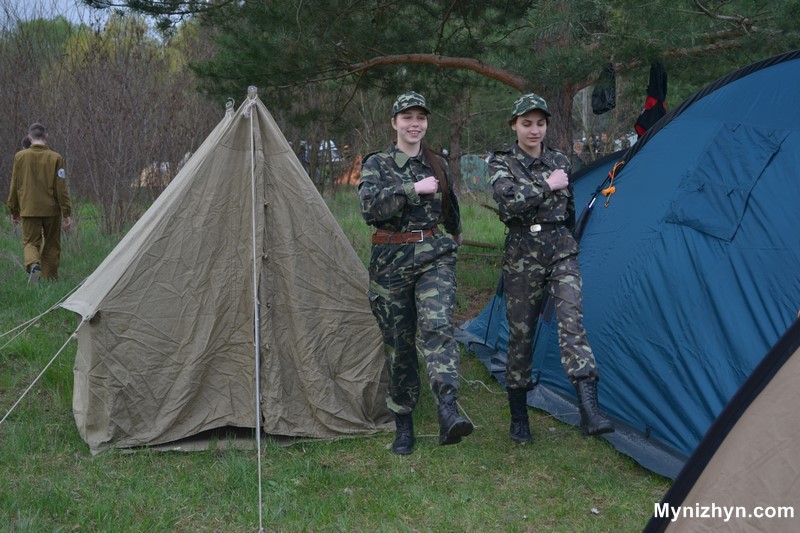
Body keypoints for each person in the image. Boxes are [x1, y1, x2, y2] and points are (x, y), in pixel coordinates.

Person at [488, 94, 614, 444]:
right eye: (526, 123)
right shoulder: (502, 163)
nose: (534, 130)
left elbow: (569, 207)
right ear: (514, 125)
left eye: (540, 123)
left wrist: (569, 239)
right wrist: (547, 185)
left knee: (572, 320)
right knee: (521, 336)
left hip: (560, 249)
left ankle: (590, 410)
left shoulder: (559, 159)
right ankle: (518, 418)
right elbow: (509, 207)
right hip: (522, 255)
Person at [359, 91, 472, 455]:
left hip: (433, 256)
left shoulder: (438, 163)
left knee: (437, 326)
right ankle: (403, 421)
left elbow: (449, 204)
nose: (414, 123)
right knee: (399, 342)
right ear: (394, 123)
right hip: (389, 259)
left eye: (420, 117)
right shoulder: (376, 164)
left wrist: (454, 232)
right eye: (407, 116)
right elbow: (370, 209)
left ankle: (447, 409)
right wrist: (411, 189)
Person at [7, 123, 72, 285]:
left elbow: (14, 185)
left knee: (30, 243)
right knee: (52, 245)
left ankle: (33, 265)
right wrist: (66, 213)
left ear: (29, 138)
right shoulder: (56, 158)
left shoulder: (20, 157)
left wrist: (13, 209)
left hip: (28, 209)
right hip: (51, 211)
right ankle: (49, 280)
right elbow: (61, 188)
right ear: (46, 136)